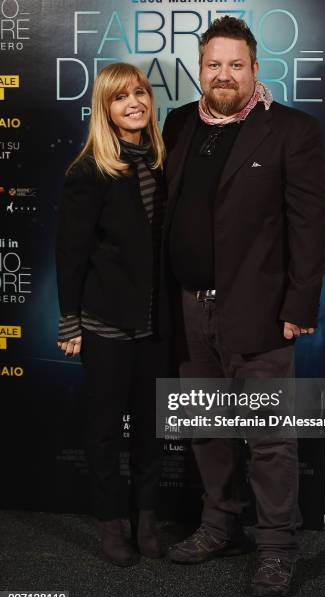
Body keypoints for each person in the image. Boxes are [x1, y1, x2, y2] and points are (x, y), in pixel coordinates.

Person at [162, 16, 325, 597]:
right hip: (187, 312)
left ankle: (277, 549)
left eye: (236, 64)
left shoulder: (291, 130)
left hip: (258, 311)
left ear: (256, 69)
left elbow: (309, 226)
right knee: (206, 429)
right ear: (200, 69)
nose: (224, 74)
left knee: (268, 437)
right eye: (214, 64)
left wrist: (300, 302)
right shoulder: (180, 121)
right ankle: (217, 527)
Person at [56, 62, 169, 567]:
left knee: (150, 427)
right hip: (104, 324)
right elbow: (70, 253)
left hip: (154, 325)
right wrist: (69, 322)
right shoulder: (89, 171)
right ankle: (110, 523)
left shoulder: (162, 163)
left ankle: (146, 517)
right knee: (104, 429)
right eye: (121, 97)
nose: (134, 103)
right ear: (105, 109)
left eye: (141, 93)